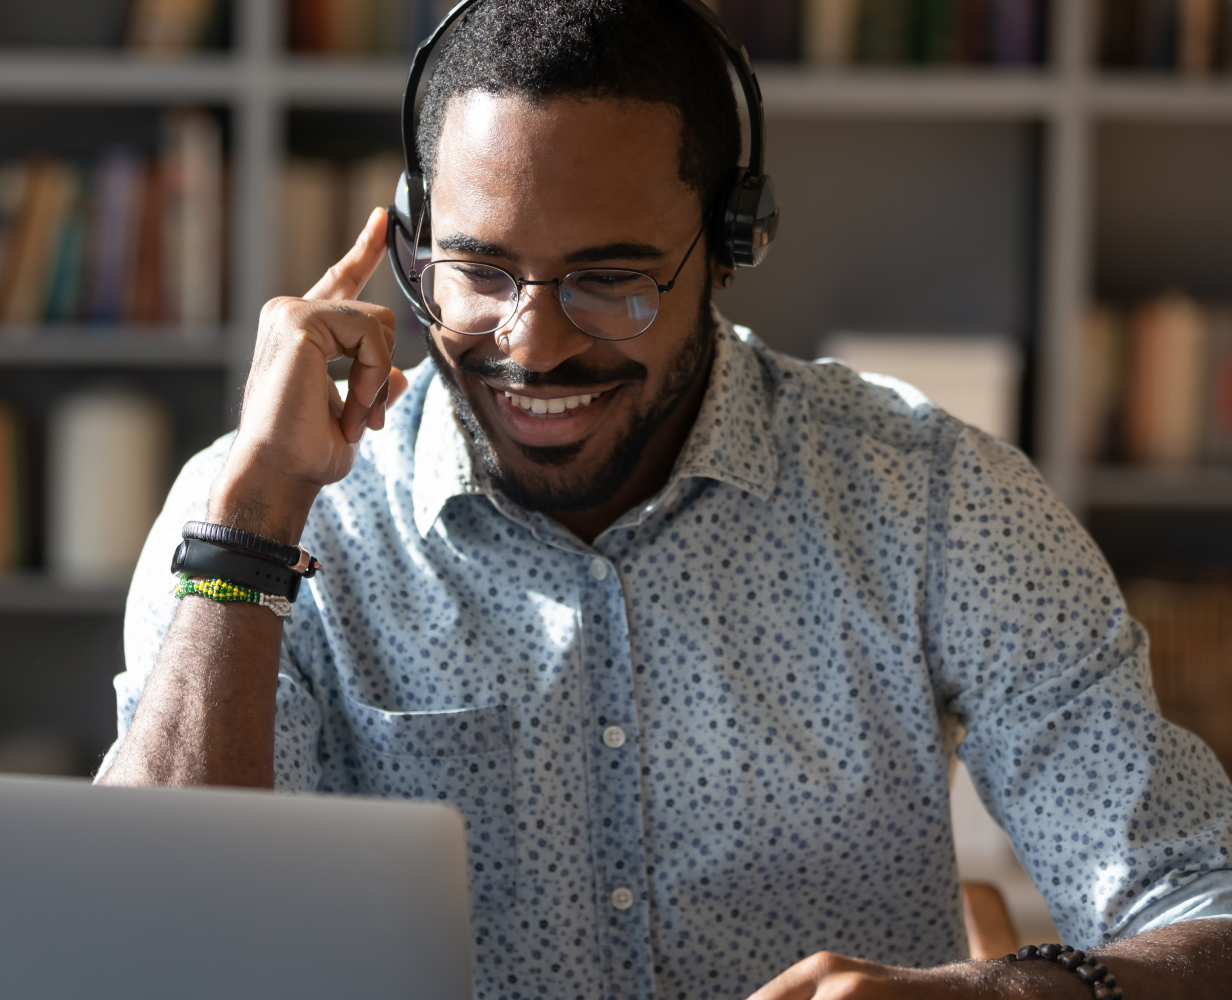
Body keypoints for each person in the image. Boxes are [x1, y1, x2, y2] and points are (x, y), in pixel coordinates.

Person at [99, 1, 1232, 997]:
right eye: (479, 270)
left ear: (731, 246)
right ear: (410, 245)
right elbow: (135, 946)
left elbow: (1203, 905)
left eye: (609, 280)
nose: (531, 345)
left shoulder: (933, 496)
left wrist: (991, 998)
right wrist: (252, 519)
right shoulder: (267, 510)